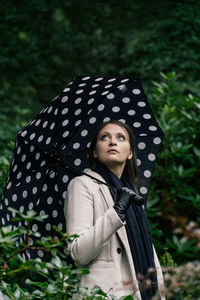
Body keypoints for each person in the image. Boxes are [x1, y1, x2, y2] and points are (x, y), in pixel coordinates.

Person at [64, 120, 165, 300]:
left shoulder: (133, 196)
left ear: (130, 153)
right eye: (105, 137)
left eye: (121, 137)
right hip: (104, 294)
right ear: (94, 152)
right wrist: (116, 212)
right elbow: (79, 253)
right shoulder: (82, 185)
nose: (113, 142)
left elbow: (150, 257)